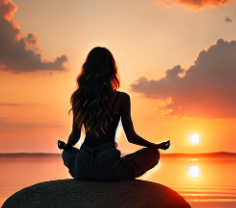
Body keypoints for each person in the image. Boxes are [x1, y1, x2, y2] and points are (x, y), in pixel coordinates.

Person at [58, 47, 170, 181]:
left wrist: (66, 146)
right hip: (109, 168)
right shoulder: (121, 98)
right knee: (153, 154)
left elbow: (74, 138)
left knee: (68, 152)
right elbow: (132, 137)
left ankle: (90, 170)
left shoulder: (79, 97)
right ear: (111, 69)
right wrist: (155, 146)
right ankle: (120, 176)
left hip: (83, 167)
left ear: (87, 69)